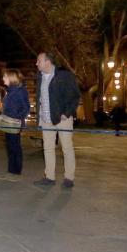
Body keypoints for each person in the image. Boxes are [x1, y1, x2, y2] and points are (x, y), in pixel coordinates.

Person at [33, 52, 81, 188]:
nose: (36, 63)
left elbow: (75, 96)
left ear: (48, 62)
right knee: (48, 148)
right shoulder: (40, 77)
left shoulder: (64, 75)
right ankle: (49, 177)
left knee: (67, 148)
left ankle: (69, 178)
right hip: (46, 119)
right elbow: (40, 99)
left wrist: (67, 113)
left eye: (39, 61)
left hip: (63, 119)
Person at [0, 69, 30, 181]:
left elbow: (26, 108)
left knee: (14, 147)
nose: (3, 79)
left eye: (5, 77)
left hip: (14, 123)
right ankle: (11, 171)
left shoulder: (20, 91)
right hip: (8, 123)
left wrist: (16, 117)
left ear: (11, 78)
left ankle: (16, 173)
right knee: (10, 148)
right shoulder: (10, 90)